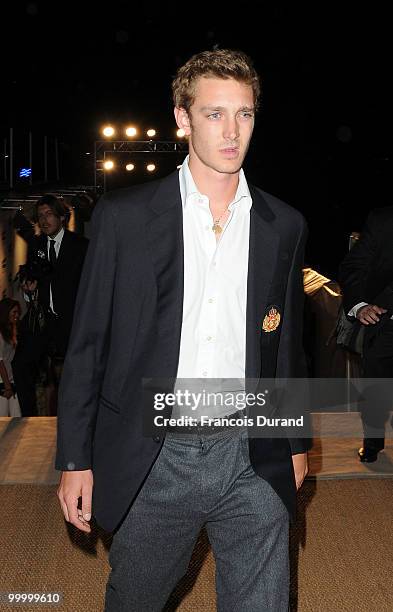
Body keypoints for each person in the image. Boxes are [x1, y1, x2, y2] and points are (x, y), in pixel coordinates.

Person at [56, 49, 310, 611]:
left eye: (244, 114)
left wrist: (293, 441)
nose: (231, 130)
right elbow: (89, 344)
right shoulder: (124, 217)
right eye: (214, 113)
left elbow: (284, 345)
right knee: (136, 600)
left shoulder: (283, 224)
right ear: (182, 118)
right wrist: (76, 458)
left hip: (252, 452)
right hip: (156, 454)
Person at [12, 194, 89, 415]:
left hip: (72, 322)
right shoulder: (37, 245)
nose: (44, 220)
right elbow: (32, 281)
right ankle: (29, 418)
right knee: (20, 364)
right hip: (43, 320)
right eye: (40, 216)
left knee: (79, 375)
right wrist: (29, 291)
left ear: (61, 217)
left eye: (49, 214)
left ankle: (80, 418)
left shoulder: (81, 246)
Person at [339, 206, 393, 462]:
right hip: (386, 323)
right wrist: (361, 305)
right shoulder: (383, 220)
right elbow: (353, 267)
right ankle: (373, 440)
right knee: (376, 390)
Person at [0, 298, 22, 417]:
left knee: (16, 417)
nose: (17, 315)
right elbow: (0, 361)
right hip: (3, 382)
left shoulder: (10, 331)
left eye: (18, 312)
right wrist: (7, 386)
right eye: (14, 312)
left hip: (11, 380)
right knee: (2, 419)